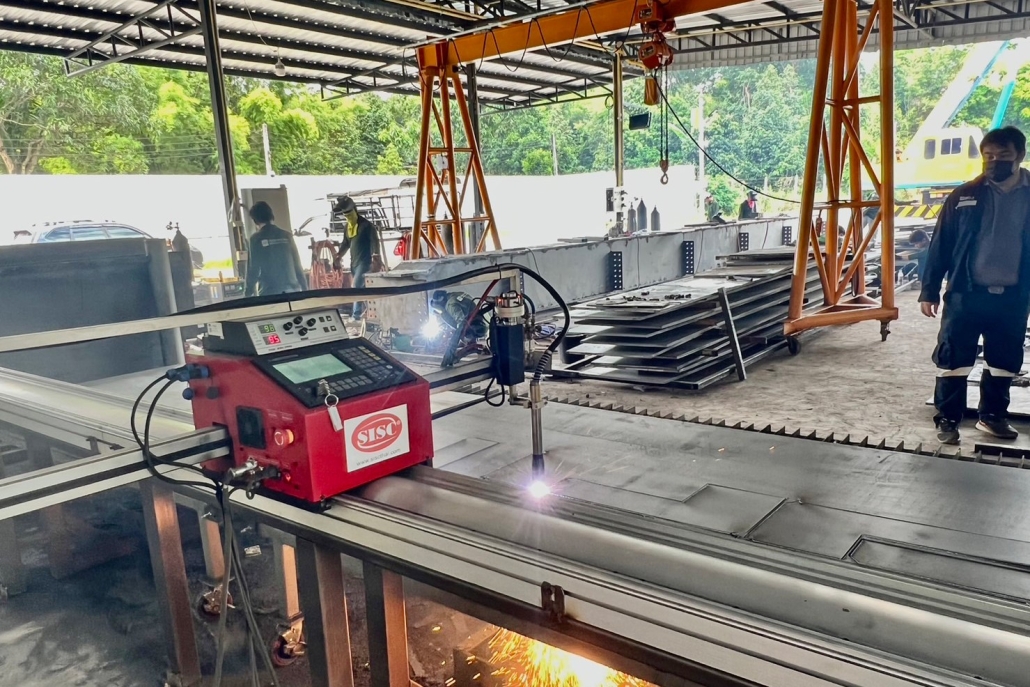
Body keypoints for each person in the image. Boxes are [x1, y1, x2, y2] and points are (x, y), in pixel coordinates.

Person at [920, 126, 1030, 444]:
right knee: (953, 359)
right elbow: (941, 244)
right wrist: (929, 290)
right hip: (965, 294)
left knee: (1004, 361)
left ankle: (992, 417)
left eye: (1003, 155)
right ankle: (948, 419)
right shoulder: (964, 195)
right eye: (988, 156)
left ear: (1020, 155)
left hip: (1012, 298)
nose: (994, 161)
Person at [244, 201, 306, 297]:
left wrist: (247, 293)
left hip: (269, 292)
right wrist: (305, 289)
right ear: (271, 216)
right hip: (293, 291)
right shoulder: (287, 236)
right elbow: (297, 265)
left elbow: (253, 270)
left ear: (255, 221)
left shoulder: (255, 239)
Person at [334, 196, 381, 319]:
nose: (348, 216)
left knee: (356, 286)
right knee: (362, 288)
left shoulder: (366, 226)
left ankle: (356, 315)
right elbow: (345, 243)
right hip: (354, 262)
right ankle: (369, 312)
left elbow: (375, 242)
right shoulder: (348, 227)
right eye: (345, 215)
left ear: (355, 210)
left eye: (349, 213)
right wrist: (339, 255)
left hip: (365, 262)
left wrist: (376, 258)